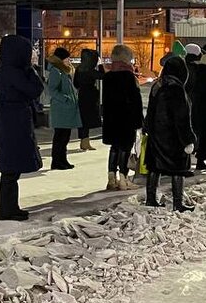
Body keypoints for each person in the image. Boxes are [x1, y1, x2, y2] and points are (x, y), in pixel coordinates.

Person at [0, 35, 44, 221]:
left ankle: (10, 207)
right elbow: (35, 89)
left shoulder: (6, 70)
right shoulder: (13, 72)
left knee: (11, 167)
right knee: (11, 168)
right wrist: (30, 70)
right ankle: (8, 210)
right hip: (15, 120)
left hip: (13, 118)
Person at [142, 57, 196, 212]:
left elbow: (150, 111)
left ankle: (151, 199)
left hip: (156, 134)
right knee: (178, 168)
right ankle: (178, 203)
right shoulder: (177, 89)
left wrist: (148, 128)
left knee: (155, 167)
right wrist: (188, 139)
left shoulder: (157, 85)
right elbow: (181, 118)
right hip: (173, 137)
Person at [101, 44, 143, 190]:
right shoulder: (129, 76)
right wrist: (139, 121)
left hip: (111, 118)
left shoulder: (108, 76)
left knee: (114, 147)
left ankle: (111, 178)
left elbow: (105, 100)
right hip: (127, 118)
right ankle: (124, 179)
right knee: (125, 147)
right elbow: (135, 101)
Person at [45, 47, 81, 169]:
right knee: (60, 137)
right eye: (67, 58)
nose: (69, 61)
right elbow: (52, 90)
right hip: (61, 109)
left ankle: (62, 160)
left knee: (65, 137)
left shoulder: (64, 71)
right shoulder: (56, 71)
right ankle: (57, 161)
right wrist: (65, 98)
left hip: (66, 109)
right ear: (61, 59)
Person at [73, 48, 103, 151]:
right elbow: (103, 76)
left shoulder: (79, 69)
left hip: (82, 95)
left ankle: (84, 141)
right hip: (90, 97)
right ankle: (85, 142)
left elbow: (75, 84)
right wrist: (101, 66)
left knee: (83, 120)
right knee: (88, 120)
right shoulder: (90, 71)